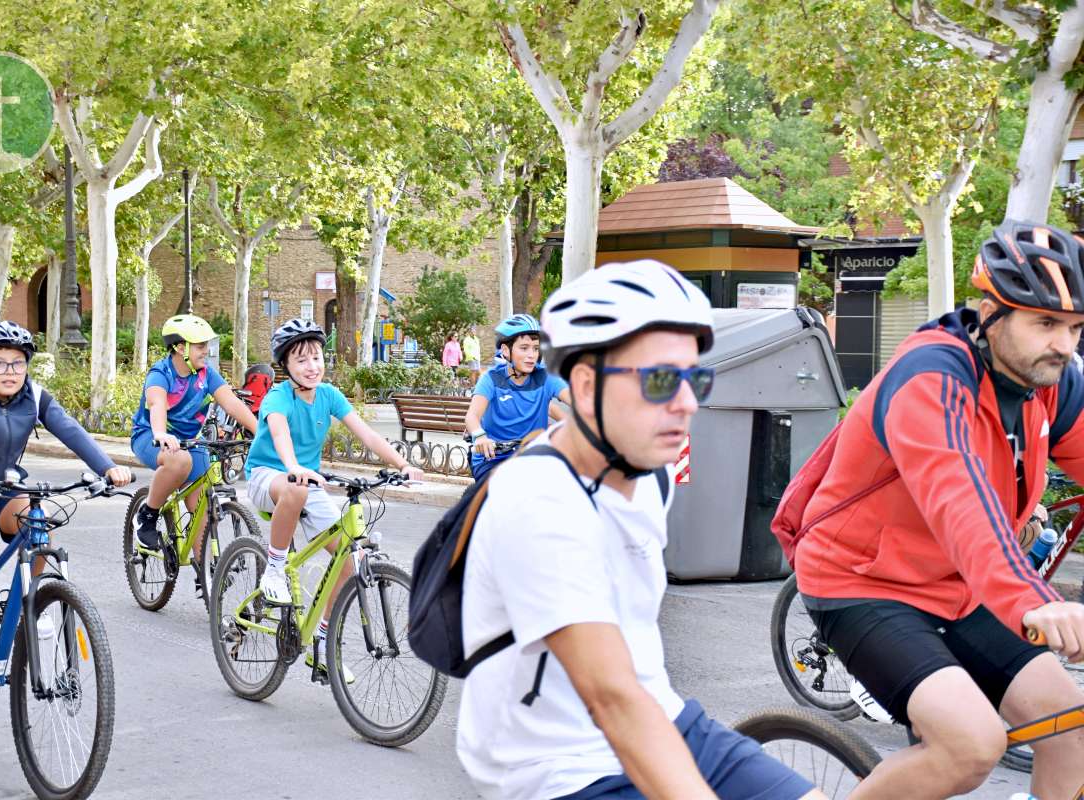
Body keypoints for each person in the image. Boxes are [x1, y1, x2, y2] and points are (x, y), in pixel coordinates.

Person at [457, 261, 820, 800]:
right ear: (585, 387)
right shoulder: (538, 502)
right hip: (554, 763)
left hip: (662, 714)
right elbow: (610, 697)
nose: (687, 403)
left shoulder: (649, 475)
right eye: (659, 380)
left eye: (696, 378)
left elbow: (636, 694)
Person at [794, 220, 1084, 799]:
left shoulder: (1049, 381)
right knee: (972, 745)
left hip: (959, 588)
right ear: (991, 313)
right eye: (1046, 323)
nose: (1064, 344)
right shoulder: (931, 379)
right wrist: (1032, 599)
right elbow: (961, 503)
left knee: (1071, 725)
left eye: (1076, 328)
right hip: (862, 583)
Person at [0, 321, 132, 744]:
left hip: (3, 490)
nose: (9, 370)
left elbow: (71, 429)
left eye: (17, 362)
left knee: (38, 522)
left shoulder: (33, 397)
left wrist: (107, 467)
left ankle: (36, 606)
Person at [244, 318, 424, 679]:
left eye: (316, 357)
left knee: (351, 558)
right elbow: (279, 433)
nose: (312, 367)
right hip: (269, 477)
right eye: (301, 360)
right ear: (286, 367)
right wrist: (293, 466)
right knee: (295, 487)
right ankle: (275, 569)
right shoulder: (278, 397)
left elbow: (367, 436)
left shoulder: (329, 395)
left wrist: (404, 465)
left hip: (307, 482)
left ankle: (323, 645)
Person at [129, 315, 259, 573]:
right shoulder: (161, 373)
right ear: (180, 347)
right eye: (199, 346)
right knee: (181, 461)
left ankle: (205, 570)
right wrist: (160, 434)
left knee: (202, 504)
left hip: (190, 441)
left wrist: (261, 433)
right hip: (150, 436)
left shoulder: (206, 374)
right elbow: (156, 404)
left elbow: (231, 403)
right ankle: (148, 515)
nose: (206, 351)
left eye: (206, 345)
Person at [464, 313, 571, 481]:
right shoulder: (491, 378)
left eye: (536, 348)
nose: (532, 354)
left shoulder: (545, 377)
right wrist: (480, 436)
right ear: (506, 350)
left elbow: (578, 400)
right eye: (524, 348)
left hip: (533, 458)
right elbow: (472, 416)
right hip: (493, 459)